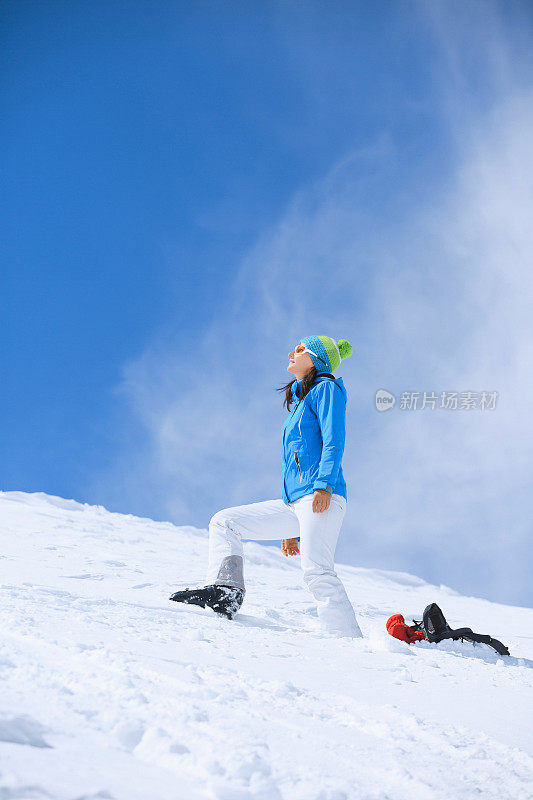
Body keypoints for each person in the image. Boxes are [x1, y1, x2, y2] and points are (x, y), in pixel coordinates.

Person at [170, 335, 363, 639]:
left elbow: (333, 439)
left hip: (321, 494)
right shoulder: (301, 401)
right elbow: (296, 462)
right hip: (297, 502)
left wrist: (324, 484)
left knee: (317, 571)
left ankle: (348, 642)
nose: (291, 352)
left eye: (300, 350)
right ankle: (225, 590)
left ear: (317, 359)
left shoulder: (327, 389)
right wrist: (292, 527)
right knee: (225, 521)